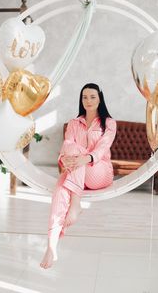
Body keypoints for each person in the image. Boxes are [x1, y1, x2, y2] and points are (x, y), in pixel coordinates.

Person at [40, 83, 116, 269]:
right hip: (76, 172)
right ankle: (51, 245)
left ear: (100, 99)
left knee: (72, 158)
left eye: (92, 97)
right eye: (84, 97)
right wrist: (64, 159)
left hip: (100, 171)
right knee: (59, 191)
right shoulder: (74, 123)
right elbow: (66, 147)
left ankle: (75, 204)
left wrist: (84, 158)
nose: (88, 101)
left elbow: (102, 149)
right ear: (81, 100)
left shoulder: (109, 123)